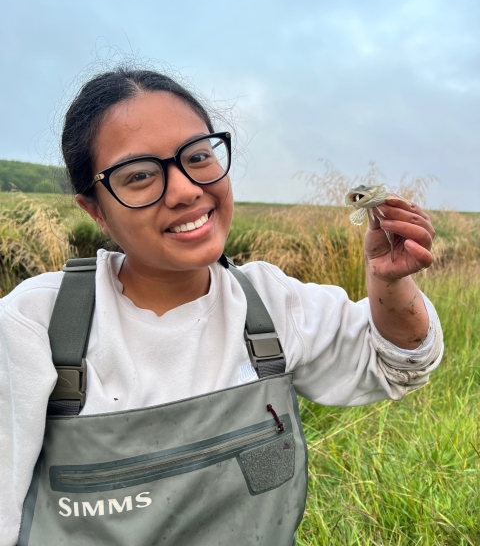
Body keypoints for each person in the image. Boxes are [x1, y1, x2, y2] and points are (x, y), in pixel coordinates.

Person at [0, 68, 443, 546]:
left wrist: (388, 281)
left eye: (197, 156)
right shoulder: (37, 325)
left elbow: (396, 361)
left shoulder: (270, 302)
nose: (187, 190)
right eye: (141, 176)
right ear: (95, 210)